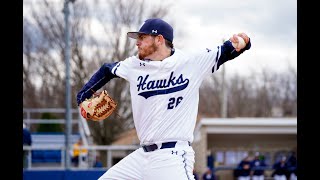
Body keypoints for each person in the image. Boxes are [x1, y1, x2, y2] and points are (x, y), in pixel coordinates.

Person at [76, 18, 251, 179]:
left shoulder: (190, 61)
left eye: (142, 38)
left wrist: (242, 43)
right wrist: (84, 93)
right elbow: (107, 69)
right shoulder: (134, 65)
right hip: (142, 156)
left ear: (159, 39)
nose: (137, 43)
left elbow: (225, 51)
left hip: (172, 157)